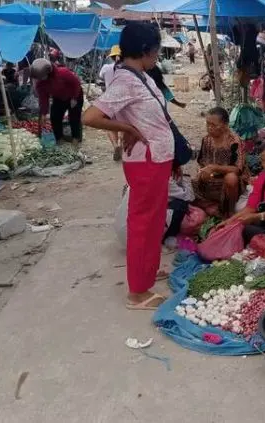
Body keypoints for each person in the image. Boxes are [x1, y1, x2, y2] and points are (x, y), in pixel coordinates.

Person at [82, 22, 174, 310]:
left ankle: (148, 270)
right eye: (157, 50)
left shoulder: (139, 76)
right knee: (143, 223)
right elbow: (90, 117)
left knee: (155, 220)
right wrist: (127, 128)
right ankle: (138, 292)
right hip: (146, 162)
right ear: (146, 50)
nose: (158, 55)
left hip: (156, 159)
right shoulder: (125, 80)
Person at [195, 107, 249, 216]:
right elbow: (202, 162)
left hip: (231, 182)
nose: (209, 128)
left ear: (225, 125)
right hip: (212, 179)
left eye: (214, 125)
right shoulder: (206, 140)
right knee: (189, 184)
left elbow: (237, 169)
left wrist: (214, 168)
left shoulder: (234, 141)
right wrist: (203, 171)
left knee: (231, 178)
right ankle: (214, 205)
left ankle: (230, 210)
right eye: (207, 124)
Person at [31, 58, 83, 144]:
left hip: (75, 94)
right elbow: (43, 99)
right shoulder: (40, 84)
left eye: (41, 77)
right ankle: (59, 139)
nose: (39, 79)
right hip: (59, 97)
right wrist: (44, 113)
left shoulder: (63, 72)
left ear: (48, 72)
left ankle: (76, 139)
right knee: (55, 117)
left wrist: (74, 98)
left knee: (74, 117)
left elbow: (76, 83)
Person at [99, 45, 123, 161]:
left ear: (112, 57)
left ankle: (115, 145)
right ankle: (122, 145)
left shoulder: (106, 68)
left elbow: (100, 78)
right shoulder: (128, 68)